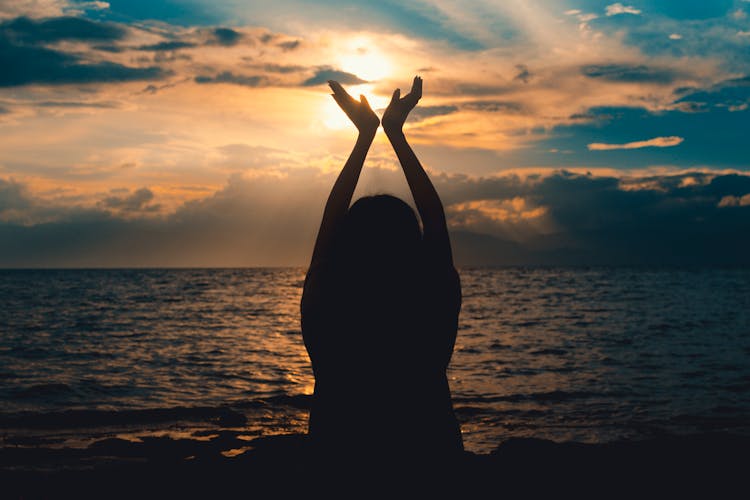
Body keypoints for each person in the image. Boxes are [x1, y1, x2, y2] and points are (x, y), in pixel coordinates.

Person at [300, 76, 463, 463]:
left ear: (346, 245)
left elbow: (329, 224)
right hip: (429, 452)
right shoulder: (429, 300)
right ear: (413, 245)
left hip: (338, 454)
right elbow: (436, 221)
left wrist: (365, 137)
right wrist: (395, 134)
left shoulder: (329, 299)